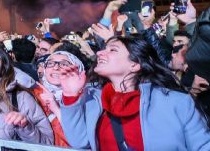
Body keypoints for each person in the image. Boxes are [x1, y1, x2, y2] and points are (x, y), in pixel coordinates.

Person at [59, 36, 210, 150]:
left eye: (112, 49)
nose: (99, 53)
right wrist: (71, 95)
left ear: (135, 64)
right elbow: (79, 142)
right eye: (104, 48)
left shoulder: (176, 102)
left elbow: (203, 146)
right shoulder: (93, 100)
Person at [32, 51, 84, 147]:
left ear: (77, 69)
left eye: (64, 64)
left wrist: (56, 109)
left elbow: (80, 140)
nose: (56, 67)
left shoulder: (86, 98)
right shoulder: (32, 94)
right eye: (50, 63)